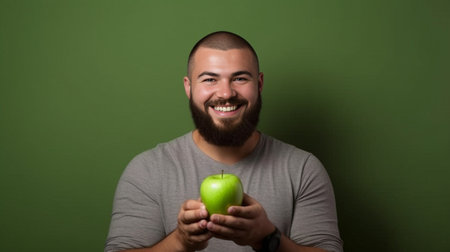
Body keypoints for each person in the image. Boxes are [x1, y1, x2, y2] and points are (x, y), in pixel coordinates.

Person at [105, 31, 343, 252]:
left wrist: (267, 238)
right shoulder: (147, 170)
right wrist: (180, 240)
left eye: (239, 78)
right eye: (210, 79)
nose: (226, 93)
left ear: (259, 84)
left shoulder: (302, 169)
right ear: (189, 87)